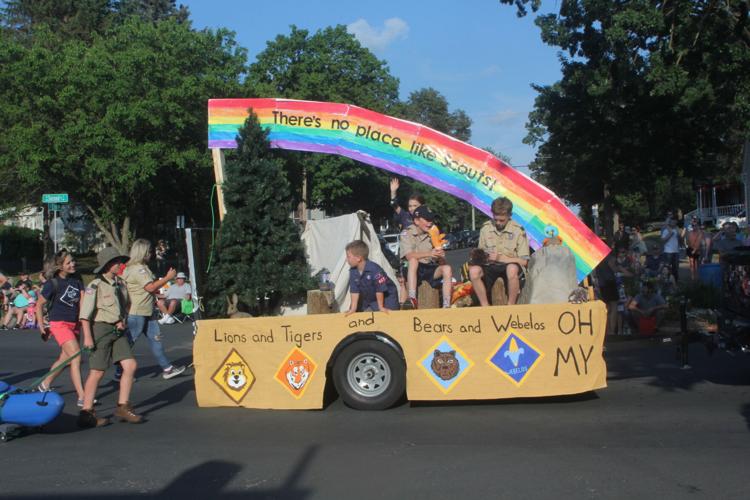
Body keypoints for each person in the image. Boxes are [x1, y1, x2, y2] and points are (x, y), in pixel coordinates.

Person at [78, 246, 141, 428]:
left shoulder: (120, 284)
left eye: (120, 261)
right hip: (101, 329)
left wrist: (123, 320)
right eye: (116, 262)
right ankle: (87, 412)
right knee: (97, 372)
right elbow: (84, 315)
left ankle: (123, 406)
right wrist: (88, 338)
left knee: (130, 365)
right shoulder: (95, 286)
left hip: (117, 330)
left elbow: (125, 306)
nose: (119, 264)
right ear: (107, 265)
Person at [120, 239, 185, 380]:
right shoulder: (138, 269)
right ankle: (120, 372)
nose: (151, 254)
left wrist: (158, 294)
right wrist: (168, 278)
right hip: (138, 313)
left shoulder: (139, 267)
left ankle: (167, 368)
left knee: (156, 340)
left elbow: (146, 290)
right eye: (149, 251)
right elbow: (149, 287)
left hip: (148, 311)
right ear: (142, 252)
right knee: (128, 343)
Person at [35, 250, 87, 406]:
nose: (73, 264)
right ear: (60, 266)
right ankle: (83, 396)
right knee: (76, 356)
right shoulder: (53, 283)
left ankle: (45, 383)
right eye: (68, 263)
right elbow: (39, 304)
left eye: (73, 261)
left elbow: (82, 302)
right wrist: (41, 325)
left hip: (74, 324)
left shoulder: (77, 280)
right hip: (59, 324)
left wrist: (85, 322)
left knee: (65, 358)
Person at [468, 197, 529, 306]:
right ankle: (485, 306)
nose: (498, 223)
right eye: (495, 219)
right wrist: (480, 257)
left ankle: (511, 305)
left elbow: (525, 261)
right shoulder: (485, 228)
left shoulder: (518, 230)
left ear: (510, 216)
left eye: (502, 220)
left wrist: (502, 259)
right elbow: (480, 254)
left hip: (510, 267)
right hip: (490, 266)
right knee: (473, 271)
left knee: (511, 269)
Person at [399, 206, 453, 309]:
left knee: (447, 269)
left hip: (428, 267)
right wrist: (429, 253)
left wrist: (440, 256)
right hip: (412, 269)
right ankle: (412, 298)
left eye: (431, 220)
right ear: (416, 221)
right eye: (427, 220)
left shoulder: (434, 234)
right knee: (413, 261)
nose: (430, 223)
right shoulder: (407, 233)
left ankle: (446, 304)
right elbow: (409, 255)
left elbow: (441, 262)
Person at [344, 240, 399, 315]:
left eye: (348, 256)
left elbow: (380, 289)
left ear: (358, 258)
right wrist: (353, 309)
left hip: (387, 300)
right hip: (371, 300)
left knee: (374, 317)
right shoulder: (353, 271)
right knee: (357, 316)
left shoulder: (375, 269)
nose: (346, 259)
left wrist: (380, 307)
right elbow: (354, 291)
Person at [660, 217, 680, 283]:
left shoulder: (676, 229)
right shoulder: (665, 231)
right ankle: (666, 281)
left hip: (676, 251)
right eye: (672, 221)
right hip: (668, 251)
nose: (673, 222)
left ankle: (675, 283)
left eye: (674, 221)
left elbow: (679, 239)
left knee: (676, 268)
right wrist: (670, 234)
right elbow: (662, 240)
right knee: (667, 267)